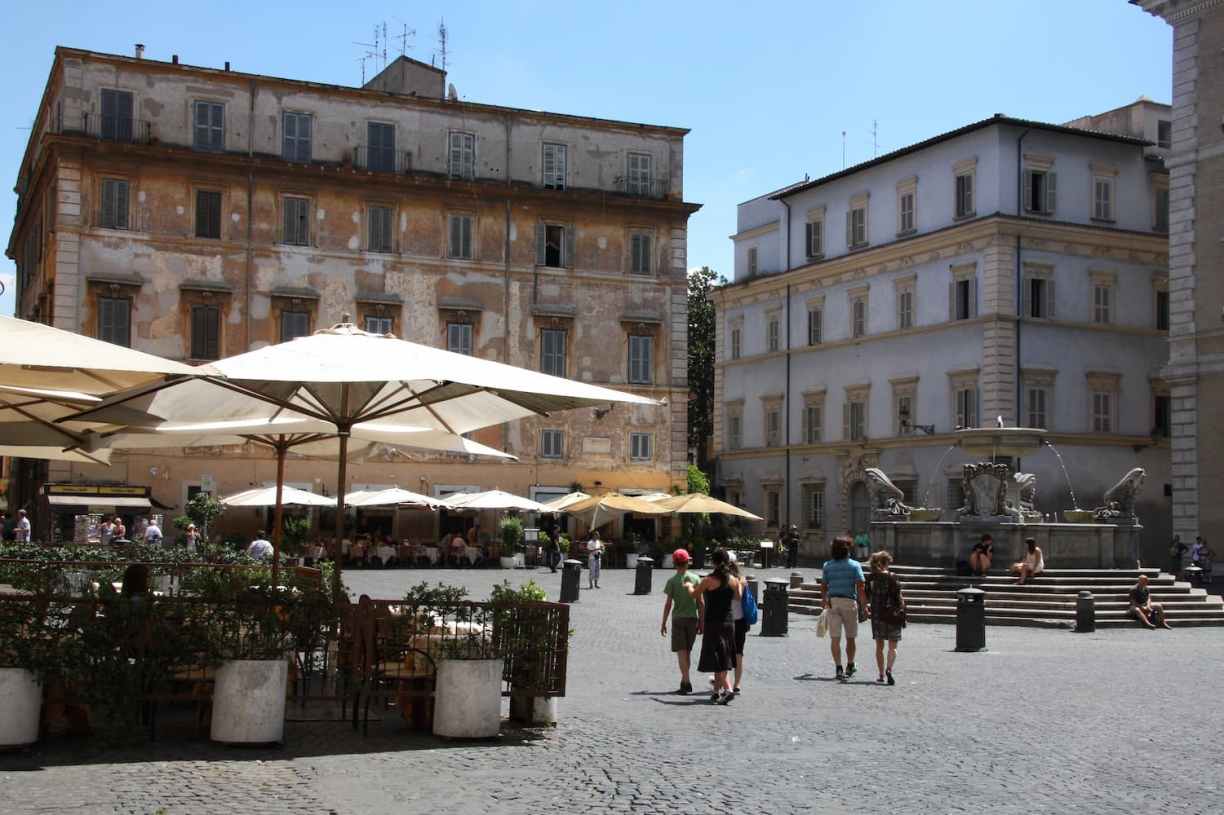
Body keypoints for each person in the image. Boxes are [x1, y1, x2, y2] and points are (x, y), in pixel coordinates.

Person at [685, 548, 741, 704]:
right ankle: (716, 692)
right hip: (729, 622)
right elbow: (738, 597)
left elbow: (694, 595)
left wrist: (689, 585)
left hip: (713, 623)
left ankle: (728, 690)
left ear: (713, 562)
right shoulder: (733, 580)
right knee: (723, 656)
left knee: (718, 659)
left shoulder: (708, 580)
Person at [820, 536, 868, 682]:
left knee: (835, 638)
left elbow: (823, 586)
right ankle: (850, 665)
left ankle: (838, 667)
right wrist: (864, 606)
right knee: (850, 637)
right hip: (849, 602)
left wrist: (824, 601)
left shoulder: (827, 565)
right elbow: (860, 587)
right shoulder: (854, 565)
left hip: (833, 602)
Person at [660, 548, 703, 695]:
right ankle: (685, 680)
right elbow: (701, 603)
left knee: (681, 652)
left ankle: (686, 682)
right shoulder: (696, 579)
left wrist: (663, 622)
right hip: (692, 618)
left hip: (678, 618)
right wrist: (702, 622)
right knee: (687, 652)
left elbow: (668, 604)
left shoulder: (672, 581)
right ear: (687, 562)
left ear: (674, 563)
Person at [866, 551, 905, 685]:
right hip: (892, 614)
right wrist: (902, 608)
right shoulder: (893, 576)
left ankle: (881, 674)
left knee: (879, 646)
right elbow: (899, 597)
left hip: (877, 615)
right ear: (885, 563)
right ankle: (889, 669)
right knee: (893, 647)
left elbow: (867, 596)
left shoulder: (871, 578)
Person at [728, 555, 748, 694]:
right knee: (738, 652)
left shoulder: (724, 581)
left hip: (727, 620)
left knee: (725, 653)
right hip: (740, 619)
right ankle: (737, 684)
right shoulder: (742, 580)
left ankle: (726, 683)